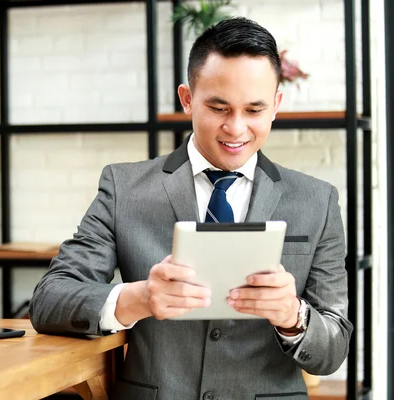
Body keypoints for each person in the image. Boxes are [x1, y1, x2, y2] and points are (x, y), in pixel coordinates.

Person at [29, 17, 352, 399]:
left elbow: (333, 350)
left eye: (254, 110)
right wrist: (138, 298)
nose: (235, 128)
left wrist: (293, 316)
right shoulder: (124, 188)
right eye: (218, 107)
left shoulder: (318, 200)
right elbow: (50, 299)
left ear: (276, 105)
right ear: (187, 99)